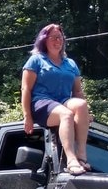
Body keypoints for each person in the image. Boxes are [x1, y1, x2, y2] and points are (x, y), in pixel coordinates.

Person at [21, 23, 91, 175]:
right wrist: (27, 116)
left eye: (60, 38)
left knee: (81, 104)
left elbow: (78, 91)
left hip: (63, 100)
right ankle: (71, 160)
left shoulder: (70, 63)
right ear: (44, 40)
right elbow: (26, 89)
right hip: (41, 103)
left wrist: (86, 113)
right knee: (66, 115)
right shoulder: (36, 60)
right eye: (53, 37)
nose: (58, 41)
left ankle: (81, 156)